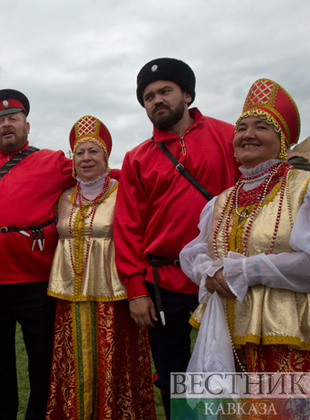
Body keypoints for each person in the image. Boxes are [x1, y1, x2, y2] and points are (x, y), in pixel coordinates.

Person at [113, 58, 238, 417]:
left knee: (233, 369)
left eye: (165, 91)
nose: (156, 100)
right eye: (148, 96)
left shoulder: (227, 136)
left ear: (187, 93)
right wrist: (136, 289)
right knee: (174, 376)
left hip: (222, 276)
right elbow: (128, 226)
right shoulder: (136, 158)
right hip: (162, 281)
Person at [0, 89, 75, 420]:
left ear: (27, 125)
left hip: (39, 282)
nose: (6, 125)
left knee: (44, 361)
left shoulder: (53, 161)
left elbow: (99, 177)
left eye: (13, 119)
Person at [181, 78, 310, 374]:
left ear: (283, 140)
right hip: (226, 331)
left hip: (290, 337)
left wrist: (245, 270)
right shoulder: (221, 201)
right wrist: (208, 270)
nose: (248, 135)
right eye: (241, 128)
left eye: (261, 127)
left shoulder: (302, 189)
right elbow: (196, 253)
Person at [45, 115, 156, 419]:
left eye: (93, 151)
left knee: (115, 361)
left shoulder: (123, 192)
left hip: (116, 295)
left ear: (107, 156)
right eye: (79, 152)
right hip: (70, 298)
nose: (86, 158)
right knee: (74, 364)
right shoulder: (64, 197)